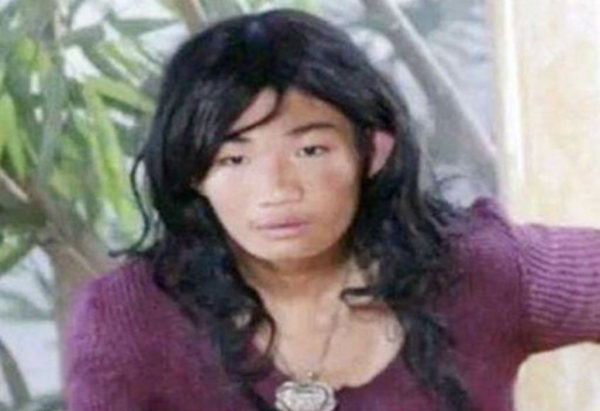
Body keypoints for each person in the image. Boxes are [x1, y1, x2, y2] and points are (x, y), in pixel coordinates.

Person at [64, 8, 600, 411]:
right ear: (193, 174)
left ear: (374, 150)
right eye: (234, 159)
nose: (277, 188)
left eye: (310, 150)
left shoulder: (481, 268)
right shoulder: (125, 320)